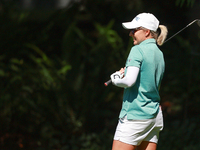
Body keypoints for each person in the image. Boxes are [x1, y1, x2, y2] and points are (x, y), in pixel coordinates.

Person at [110, 13, 168, 150]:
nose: (131, 34)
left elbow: (129, 81)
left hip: (135, 117)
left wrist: (116, 79)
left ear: (147, 32)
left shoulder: (137, 50)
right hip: (153, 117)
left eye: (134, 30)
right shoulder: (159, 53)